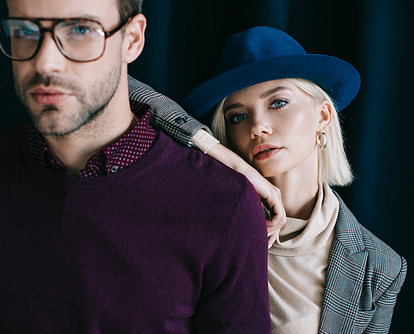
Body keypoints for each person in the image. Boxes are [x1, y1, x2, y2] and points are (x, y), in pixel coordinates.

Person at [0, 1, 272, 332]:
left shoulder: (223, 204)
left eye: (80, 30)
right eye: (25, 31)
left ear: (131, 40)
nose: (45, 63)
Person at [131, 26, 407, 333]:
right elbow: (122, 90)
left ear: (323, 116)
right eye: (238, 116)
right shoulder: (205, 213)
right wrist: (222, 155)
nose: (258, 127)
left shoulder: (380, 266)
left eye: (277, 103)